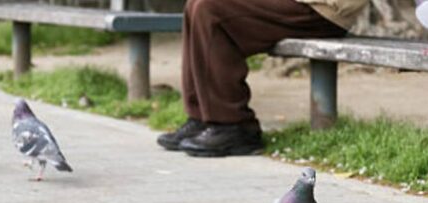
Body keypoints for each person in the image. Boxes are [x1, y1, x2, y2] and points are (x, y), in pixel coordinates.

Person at [158, 0, 370, 157]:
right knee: (195, 4)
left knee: (210, 9)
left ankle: (233, 126)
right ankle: (201, 117)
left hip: (323, 9)